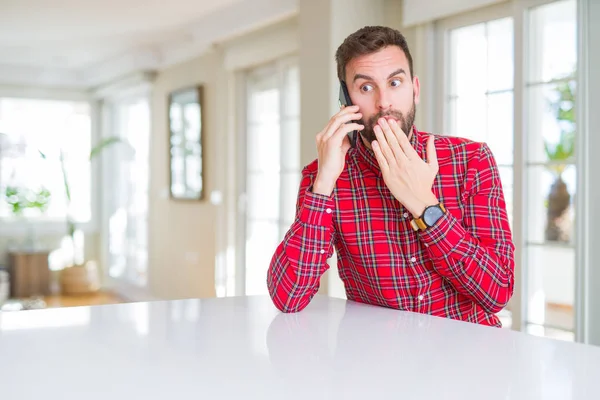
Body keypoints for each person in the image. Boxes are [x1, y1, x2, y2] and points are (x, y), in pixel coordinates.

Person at [266, 25, 515, 327]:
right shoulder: (325, 176)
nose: (384, 102)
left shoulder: (471, 160)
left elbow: (497, 292)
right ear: (347, 101)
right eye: (366, 88)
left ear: (415, 89)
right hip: (378, 364)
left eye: (395, 82)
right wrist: (323, 184)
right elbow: (288, 297)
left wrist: (425, 206)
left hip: (469, 361)